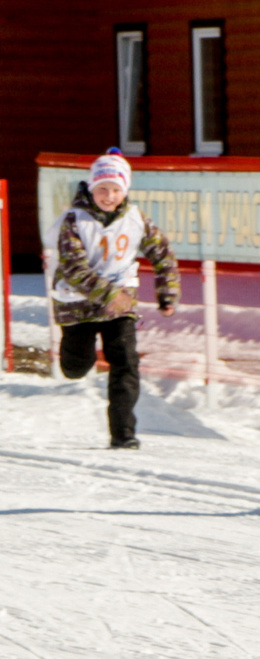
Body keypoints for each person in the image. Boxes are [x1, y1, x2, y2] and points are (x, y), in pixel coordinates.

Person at [51, 151, 177, 449]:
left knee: (126, 364)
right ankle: (74, 357)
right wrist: (110, 295)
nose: (109, 196)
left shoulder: (136, 220)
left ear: (125, 191)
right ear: (91, 188)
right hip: (77, 305)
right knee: (77, 367)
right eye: (102, 189)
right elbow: (74, 268)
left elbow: (163, 254)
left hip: (120, 307)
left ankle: (123, 434)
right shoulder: (74, 220)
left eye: (116, 190)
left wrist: (167, 292)